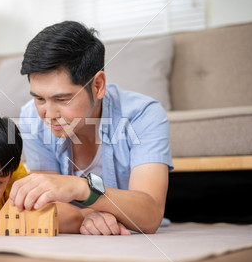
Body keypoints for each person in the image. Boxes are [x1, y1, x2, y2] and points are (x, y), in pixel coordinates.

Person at [10, 21, 173, 235]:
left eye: (63, 99)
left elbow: (150, 216)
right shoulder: (32, 116)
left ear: (98, 86)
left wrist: (82, 187)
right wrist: (85, 216)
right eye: (39, 98)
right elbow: (44, 203)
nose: (48, 115)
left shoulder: (144, 115)